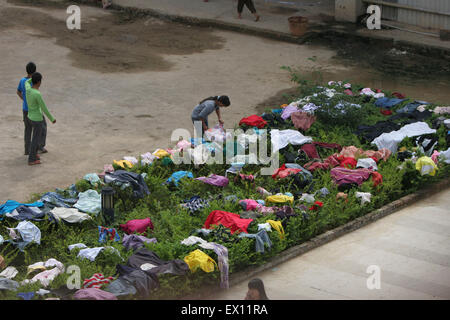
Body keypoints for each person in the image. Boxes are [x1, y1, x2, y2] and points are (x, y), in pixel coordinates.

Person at [25, 72, 56, 165]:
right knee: (35, 139)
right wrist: (52, 118)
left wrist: (33, 77)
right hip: (37, 119)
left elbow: (27, 82)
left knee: (35, 137)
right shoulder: (37, 94)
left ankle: (34, 154)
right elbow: (44, 108)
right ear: (39, 82)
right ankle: (31, 159)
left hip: (30, 116)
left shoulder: (28, 89)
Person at [16, 62, 35, 156]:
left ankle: (27, 149)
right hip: (33, 110)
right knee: (40, 128)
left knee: (27, 129)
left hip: (25, 109)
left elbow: (18, 91)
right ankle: (38, 147)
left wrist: (24, 100)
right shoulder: (33, 81)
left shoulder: (22, 80)